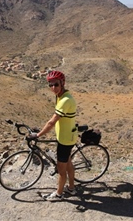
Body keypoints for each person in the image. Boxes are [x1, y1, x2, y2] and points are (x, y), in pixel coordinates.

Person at [30, 70, 78, 201]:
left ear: (62, 83)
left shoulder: (65, 100)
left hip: (65, 139)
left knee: (61, 169)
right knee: (68, 163)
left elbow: (51, 122)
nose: (53, 88)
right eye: (50, 85)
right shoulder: (61, 95)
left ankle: (59, 194)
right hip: (67, 136)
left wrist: (38, 134)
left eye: (56, 84)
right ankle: (72, 188)